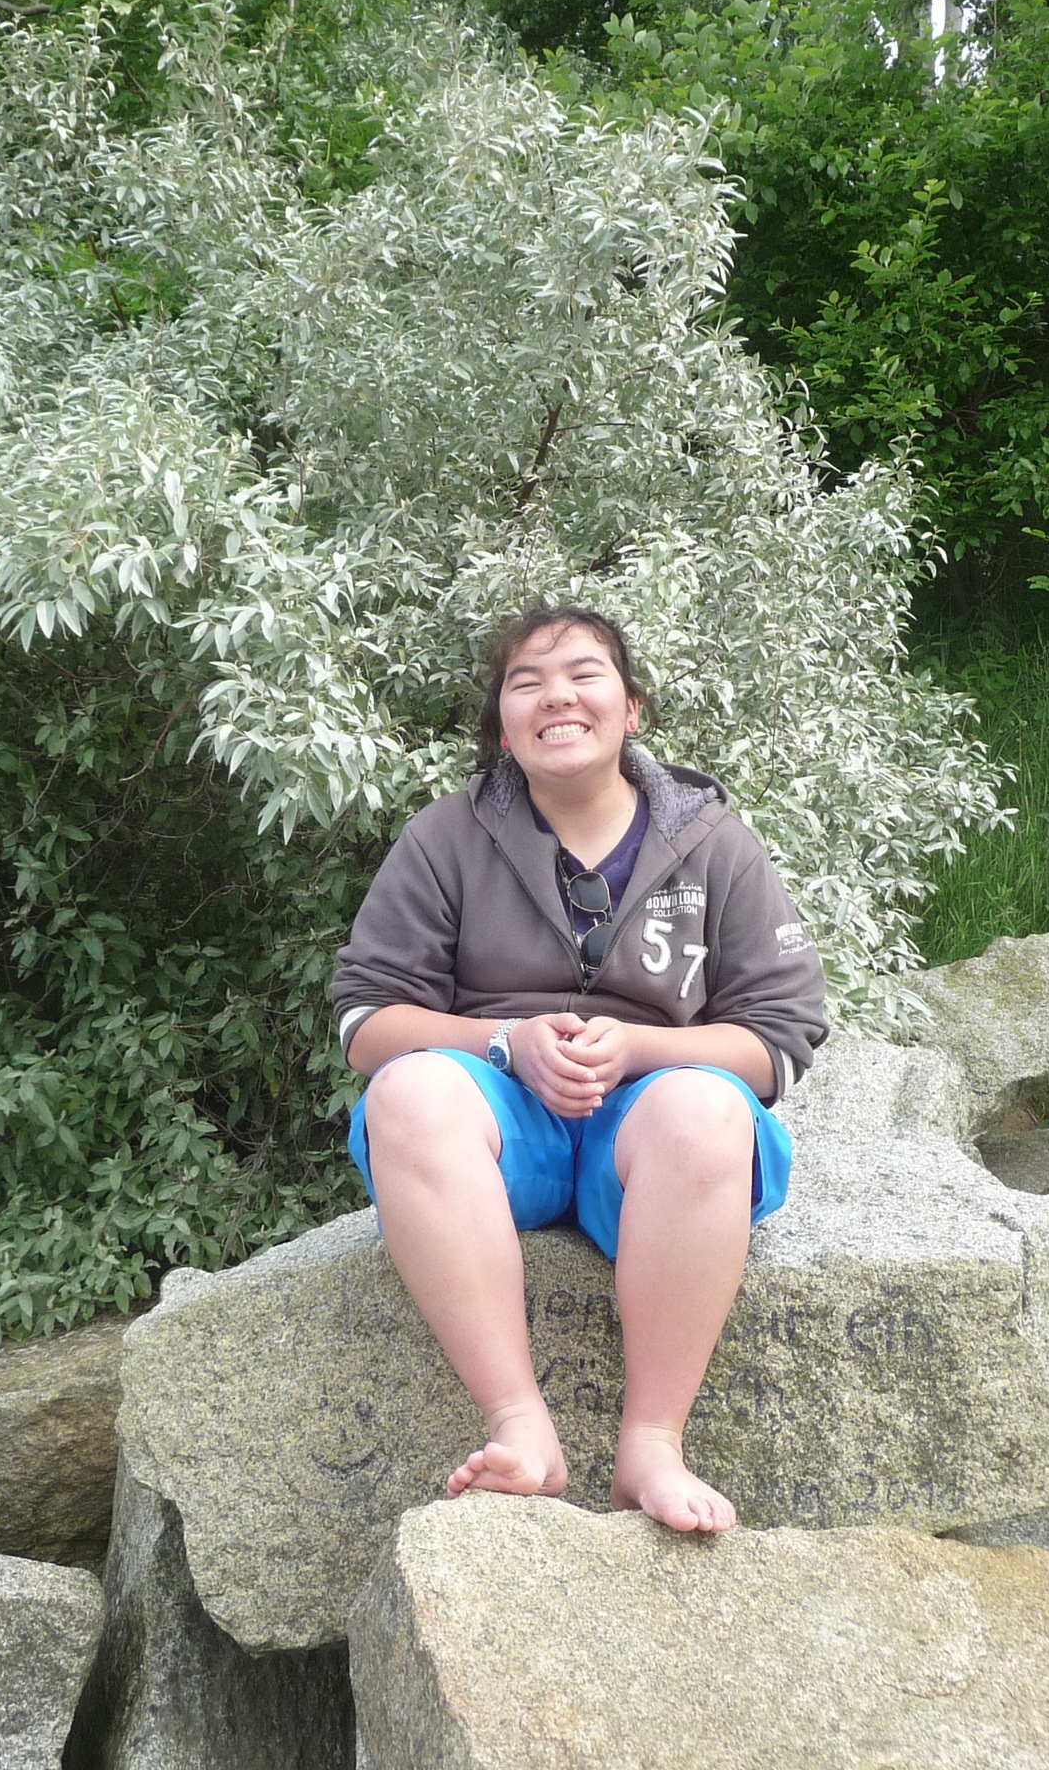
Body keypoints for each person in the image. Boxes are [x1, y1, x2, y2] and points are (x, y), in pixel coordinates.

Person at [330, 605, 828, 1533]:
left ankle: (653, 1445)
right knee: (408, 1090)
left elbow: (781, 1039)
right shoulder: (443, 838)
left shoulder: (715, 842)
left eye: (584, 674)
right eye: (527, 683)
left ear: (632, 708)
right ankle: (521, 1427)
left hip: (644, 1147)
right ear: (504, 727)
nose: (556, 696)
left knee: (706, 1112)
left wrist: (639, 1047)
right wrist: (505, 1042)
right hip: (499, 1133)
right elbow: (366, 1022)